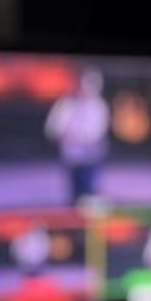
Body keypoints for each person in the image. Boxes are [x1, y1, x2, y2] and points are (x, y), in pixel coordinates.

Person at [45, 69, 111, 202]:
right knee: (75, 193)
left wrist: (86, 139)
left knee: (90, 192)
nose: (89, 88)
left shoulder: (99, 105)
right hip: (73, 155)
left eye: (93, 84)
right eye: (86, 84)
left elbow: (99, 130)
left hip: (92, 156)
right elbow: (53, 128)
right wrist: (68, 136)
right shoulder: (66, 103)